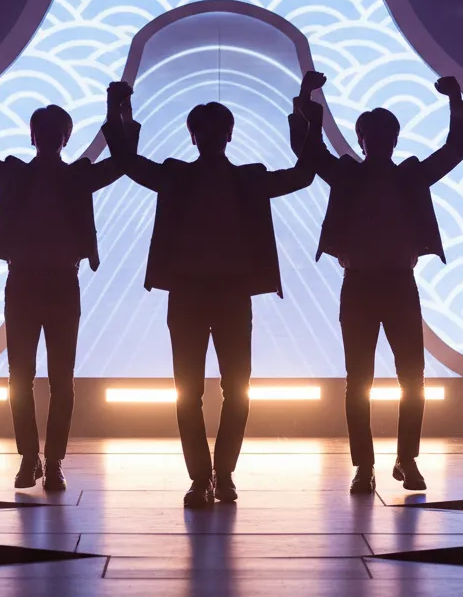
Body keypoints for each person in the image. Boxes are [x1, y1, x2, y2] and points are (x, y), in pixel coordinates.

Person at [103, 81, 315, 508]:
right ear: (222, 135)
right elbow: (304, 172)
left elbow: (126, 160)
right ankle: (214, 477)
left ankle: (210, 477)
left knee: (204, 391)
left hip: (203, 295)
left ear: (195, 135)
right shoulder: (228, 178)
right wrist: (303, 107)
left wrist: (119, 109)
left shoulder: (194, 176)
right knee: (218, 391)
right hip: (213, 295)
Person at [291, 70, 463, 494]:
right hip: (361, 286)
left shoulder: (408, 176)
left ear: (392, 141)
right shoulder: (349, 175)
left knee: (410, 379)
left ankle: (405, 459)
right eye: (371, 136)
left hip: (395, 285)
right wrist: (304, 97)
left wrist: (457, 102)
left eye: (383, 136)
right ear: (362, 141)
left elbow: (455, 150)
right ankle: (365, 465)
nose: (377, 142)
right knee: (361, 381)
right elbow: (307, 147)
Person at [0, 77, 126, 490]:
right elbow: (122, 162)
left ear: (59, 138)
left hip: (47, 283)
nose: (48, 139)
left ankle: (46, 459)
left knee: (39, 378)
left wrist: (115, 111)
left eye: (53, 133)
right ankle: (37, 459)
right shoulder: (32, 175)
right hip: (37, 283)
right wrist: (114, 109)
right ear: (45, 137)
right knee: (34, 378)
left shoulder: (55, 175)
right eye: (45, 133)